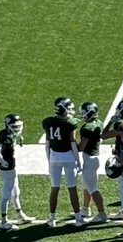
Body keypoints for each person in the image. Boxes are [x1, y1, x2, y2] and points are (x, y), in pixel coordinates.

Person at [43, 97, 83, 227]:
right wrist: (78, 160)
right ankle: (78, 218)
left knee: (54, 188)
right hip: (68, 158)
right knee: (72, 189)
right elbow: (72, 143)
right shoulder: (70, 123)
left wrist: (49, 160)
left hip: (54, 157)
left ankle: (52, 218)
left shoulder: (48, 122)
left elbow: (47, 144)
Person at [0, 113, 34, 229]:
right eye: (14, 126)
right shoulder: (6, 138)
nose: (17, 128)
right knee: (6, 195)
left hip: (10, 167)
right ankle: (3, 221)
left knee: (16, 192)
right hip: (8, 169)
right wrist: (2, 161)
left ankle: (21, 215)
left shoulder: (6, 134)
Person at [76, 101, 110, 222]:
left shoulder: (87, 128)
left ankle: (102, 213)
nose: (82, 114)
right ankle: (85, 209)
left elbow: (81, 147)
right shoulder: (99, 123)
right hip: (94, 157)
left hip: (90, 159)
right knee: (87, 186)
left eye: (84, 113)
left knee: (92, 188)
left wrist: (68, 143)